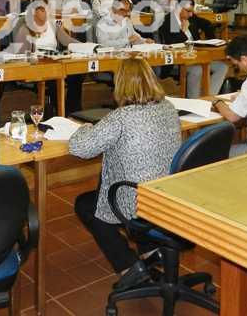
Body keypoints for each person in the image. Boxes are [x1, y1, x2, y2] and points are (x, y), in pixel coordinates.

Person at [69, 58, 180, 290]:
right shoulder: (168, 107)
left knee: (87, 206)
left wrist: (85, 127)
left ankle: (129, 266)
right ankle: (151, 252)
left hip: (137, 200)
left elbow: (80, 148)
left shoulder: (121, 118)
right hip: (167, 195)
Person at [6, 0, 84, 114]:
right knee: (54, 79)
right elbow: (21, 55)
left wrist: (87, 47)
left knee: (77, 75)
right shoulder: (25, 29)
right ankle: (59, 113)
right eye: (42, 10)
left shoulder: (52, 25)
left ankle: (71, 111)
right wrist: (35, 57)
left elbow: (67, 40)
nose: (46, 12)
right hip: (36, 66)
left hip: (55, 61)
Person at [159, 0, 228, 96]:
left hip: (197, 56)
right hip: (179, 60)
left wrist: (211, 41)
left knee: (222, 67)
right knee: (197, 70)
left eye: (192, 11)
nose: (191, 14)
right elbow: (173, 45)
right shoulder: (169, 21)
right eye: (188, 11)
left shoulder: (191, 17)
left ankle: (209, 97)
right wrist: (183, 30)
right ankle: (194, 101)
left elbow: (208, 24)